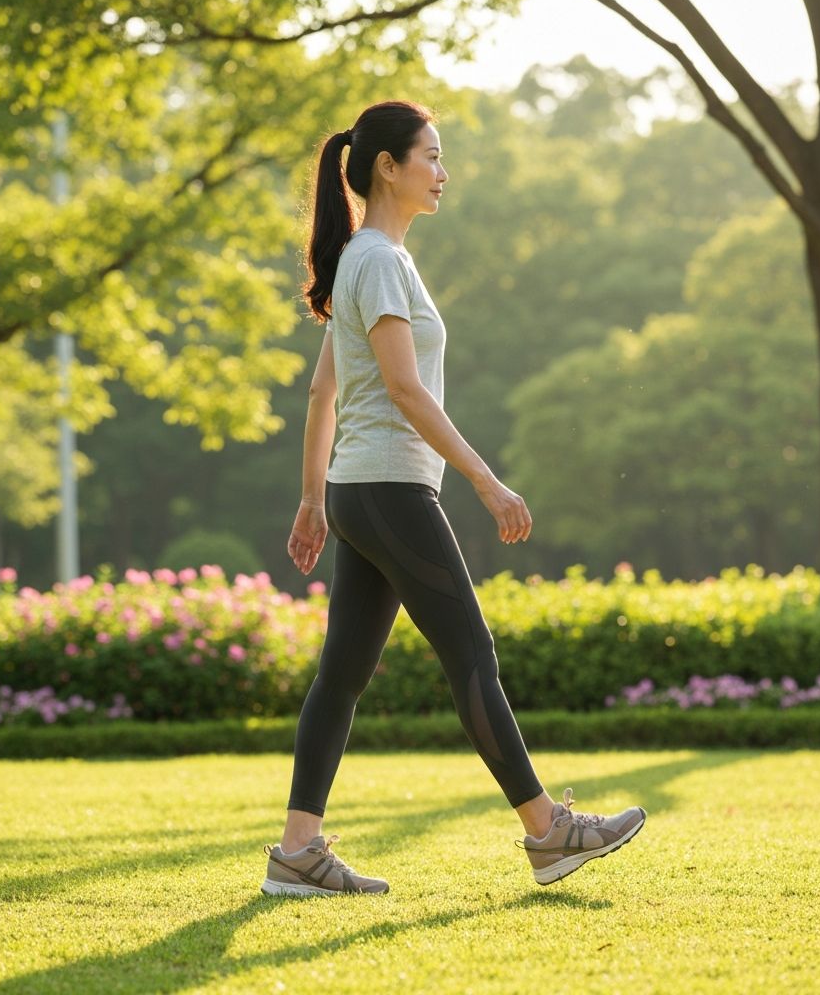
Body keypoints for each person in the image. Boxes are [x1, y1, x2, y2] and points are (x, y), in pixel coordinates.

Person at [260, 100, 646, 897]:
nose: (443, 172)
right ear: (387, 168)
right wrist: (485, 479)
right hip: (392, 488)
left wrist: (313, 500)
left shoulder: (363, 261)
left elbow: (322, 393)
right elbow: (401, 387)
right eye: (430, 156)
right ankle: (548, 831)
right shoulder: (381, 263)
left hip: (359, 492)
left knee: (343, 673)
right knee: (470, 653)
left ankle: (299, 852)